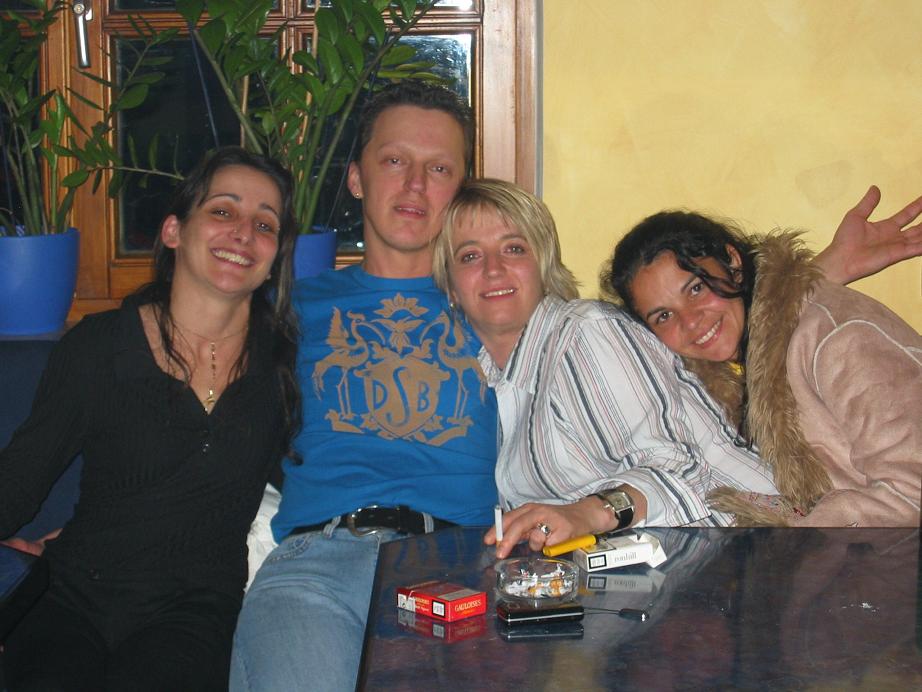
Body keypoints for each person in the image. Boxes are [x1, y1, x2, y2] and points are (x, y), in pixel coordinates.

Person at [0, 147, 301, 690]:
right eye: (223, 211)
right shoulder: (99, 347)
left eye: (265, 224)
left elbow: (319, 480)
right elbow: (18, 481)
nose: (243, 233)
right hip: (71, 594)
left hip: (195, 613)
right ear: (173, 230)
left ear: (275, 255)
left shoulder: (285, 367)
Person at [230, 81, 498, 692]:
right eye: (395, 160)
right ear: (356, 178)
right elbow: (198, 413)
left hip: (463, 566)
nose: (415, 185)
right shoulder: (288, 310)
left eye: (439, 168)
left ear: (460, 189)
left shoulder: (495, 305)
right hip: (318, 565)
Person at [431, 178, 780, 558]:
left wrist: (587, 513)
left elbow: (680, 470)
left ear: (543, 264)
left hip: (761, 548)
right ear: (451, 286)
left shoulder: (584, 333)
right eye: (470, 256)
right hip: (684, 568)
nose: (493, 269)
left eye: (514, 249)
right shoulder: (501, 379)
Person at [603, 194, 922, 526]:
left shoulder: (839, 340)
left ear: (733, 263)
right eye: (664, 315)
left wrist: (803, 542)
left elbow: (912, 491)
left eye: (696, 288)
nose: (691, 321)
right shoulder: (728, 371)